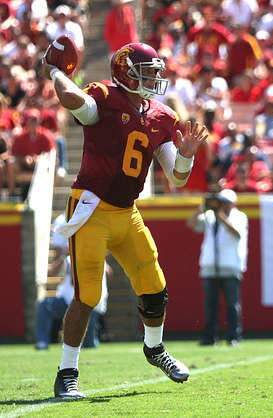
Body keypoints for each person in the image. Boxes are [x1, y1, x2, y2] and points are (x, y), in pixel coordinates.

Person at [42, 42, 208, 398]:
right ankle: (66, 373)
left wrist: (187, 157)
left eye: (154, 71)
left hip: (127, 211)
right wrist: (58, 74)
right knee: (87, 295)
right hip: (91, 208)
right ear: (125, 72)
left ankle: (155, 349)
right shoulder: (103, 96)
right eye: (146, 71)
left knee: (155, 287)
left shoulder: (161, 115)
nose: (153, 77)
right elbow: (74, 103)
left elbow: (176, 177)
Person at [36, 214, 110, 350]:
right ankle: (42, 342)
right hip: (67, 300)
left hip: (89, 303)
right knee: (44, 306)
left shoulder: (94, 254)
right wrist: (64, 254)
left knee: (89, 345)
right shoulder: (69, 257)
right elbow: (52, 272)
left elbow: (107, 271)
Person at [186, 189, 248, 346]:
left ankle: (233, 336)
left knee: (232, 304)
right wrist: (203, 207)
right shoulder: (209, 216)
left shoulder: (240, 216)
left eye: (227, 202)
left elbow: (236, 233)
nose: (224, 205)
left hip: (230, 265)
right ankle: (210, 336)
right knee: (210, 305)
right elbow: (191, 223)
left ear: (233, 203)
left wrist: (220, 216)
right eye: (222, 201)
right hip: (210, 266)